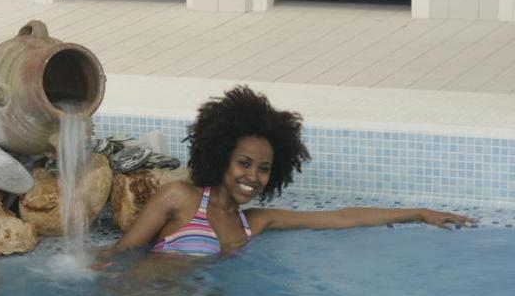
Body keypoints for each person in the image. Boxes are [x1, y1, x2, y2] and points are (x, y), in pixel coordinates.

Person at [96, 86, 474, 263]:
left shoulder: (253, 223)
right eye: (244, 163)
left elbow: (340, 217)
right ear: (222, 157)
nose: (253, 176)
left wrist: (418, 212)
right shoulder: (181, 197)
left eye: (264, 169)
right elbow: (121, 252)